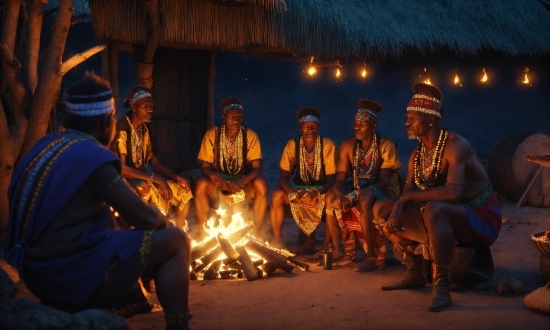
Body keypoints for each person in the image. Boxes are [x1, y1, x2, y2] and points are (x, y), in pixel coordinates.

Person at [3, 73, 192, 329]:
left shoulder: (45, 145)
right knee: (176, 239)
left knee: (121, 228)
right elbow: (148, 219)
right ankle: (179, 324)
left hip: (34, 274)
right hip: (65, 275)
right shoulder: (92, 155)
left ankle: (123, 297)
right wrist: (163, 222)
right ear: (106, 122)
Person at [378, 82, 502, 312]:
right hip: (446, 214)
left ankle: (441, 284)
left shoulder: (455, 145)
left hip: (479, 216)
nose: (407, 122)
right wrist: (397, 208)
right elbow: (407, 193)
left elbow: (454, 193)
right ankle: (414, 271)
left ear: (431, 121)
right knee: (382, 210)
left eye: (413, 117)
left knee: (435, 208)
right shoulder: (417, 154)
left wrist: (407, 200)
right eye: (407, 117)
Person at [325, 99, 402, 271]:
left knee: (366, 198)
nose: (357, 127)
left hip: (384, 191)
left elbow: (385, 181)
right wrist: (339, 195)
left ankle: (371, 256)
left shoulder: (385, 145)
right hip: (359, 191)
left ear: (374, 126)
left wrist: (355, 194)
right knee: (330, 195)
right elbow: (339, 179)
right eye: (355, 124)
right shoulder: (347, 145)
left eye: (362, 124)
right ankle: (340, 250)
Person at [111, 86, 193, 229]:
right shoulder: (122, 127)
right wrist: (156, 179)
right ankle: (146, 236)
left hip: (144, 178)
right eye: (146, 106)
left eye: (151, 107)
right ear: (134, 107)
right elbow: (121, 169)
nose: (150, 110)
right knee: (144, 190)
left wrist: (176, 177)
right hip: (126, 181)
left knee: (183, 190)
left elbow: (154, 163)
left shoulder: (145, 129)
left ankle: (180, 232)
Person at [195, 97, 268, 239]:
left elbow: (257, 169)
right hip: (219, 184)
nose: (236, 120)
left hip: (243, 185)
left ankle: (257, 232)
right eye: (232, 117)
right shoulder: (212, 135)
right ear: (223, 118)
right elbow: (205, 168)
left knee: (261, 184)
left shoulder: (250, 135)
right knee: (200, 184)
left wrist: (241, 182)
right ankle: (203, 232)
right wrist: (215, 177)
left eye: (239, 117)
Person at [270, 106, 337, 253]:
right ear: (300, 127)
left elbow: (332, 180)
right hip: (298, 190)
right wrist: (293, 193)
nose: (310, 129)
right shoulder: (292, 145)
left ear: (318, 127)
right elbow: (283, 177)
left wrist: (316, 193)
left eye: (313, 126)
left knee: (330, 198)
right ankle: (277, 241)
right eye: (306, 126)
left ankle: (319, 242)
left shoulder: (327, 145)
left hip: (321, 191)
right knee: (276, 195)